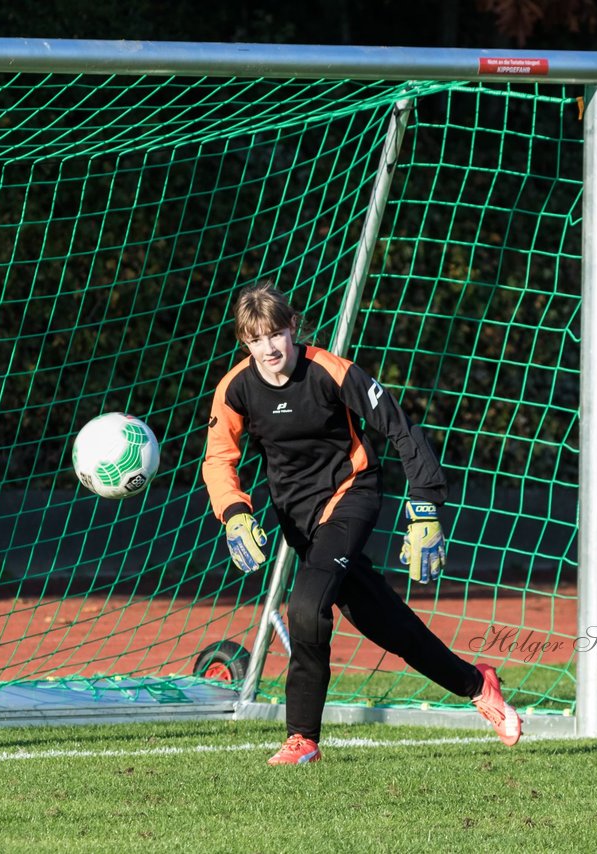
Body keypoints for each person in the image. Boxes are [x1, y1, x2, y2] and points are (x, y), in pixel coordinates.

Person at [201, 281, 522, 765]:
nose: (267, 348)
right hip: (299, 519)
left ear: (293, 328)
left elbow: (399, 428)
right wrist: (234, 512)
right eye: (254, 339)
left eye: (275, 335)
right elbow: (218, 458)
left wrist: (427, 504)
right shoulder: (236, 388)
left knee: (307, 606)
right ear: (244, 342)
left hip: (353, 496)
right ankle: (478, 684)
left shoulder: (331, 371)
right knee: (389, 626)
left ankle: (301, 738)